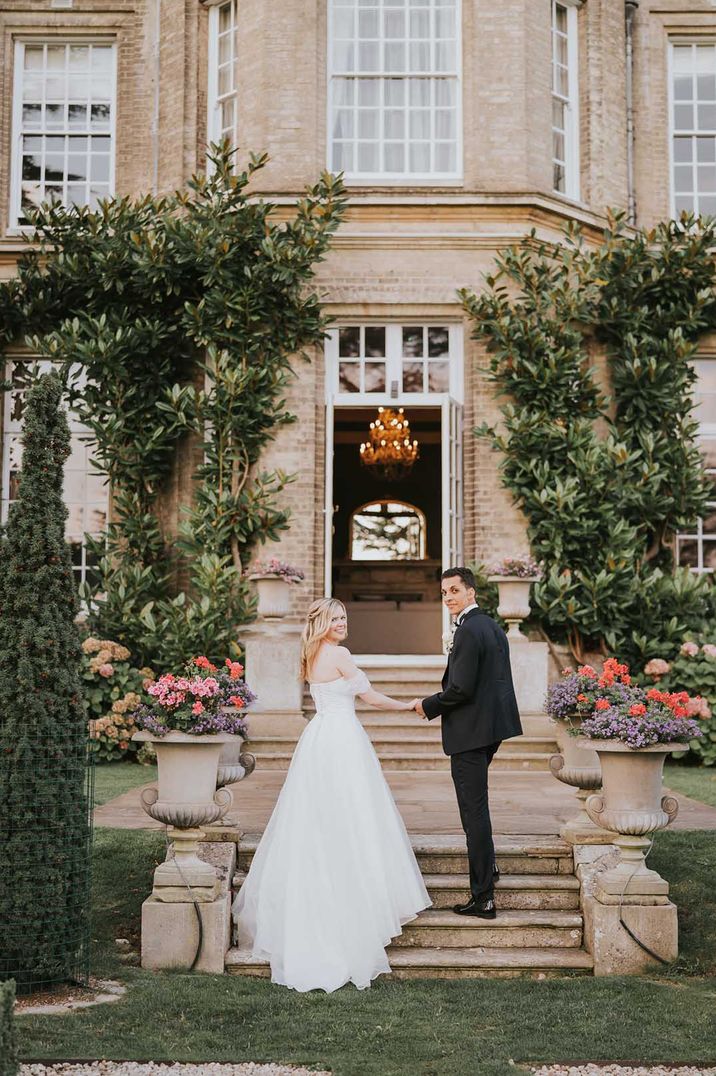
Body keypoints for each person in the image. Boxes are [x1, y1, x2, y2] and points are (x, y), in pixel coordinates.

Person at [232, 597, 430, 992]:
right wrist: (408, 706)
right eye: (335, 618)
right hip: (342, 739)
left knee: (316, 815)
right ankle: (354, 907)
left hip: (319, 738)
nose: (342, 623)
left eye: (344, 617)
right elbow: (369, 697)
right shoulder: (339, 654)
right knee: (353, 813)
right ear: (321, 622)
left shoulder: (309, 655)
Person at [412, 566, 522, 919]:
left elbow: (460, 688)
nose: (448, 597)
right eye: (444, 592)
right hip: (489, 730)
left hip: (471, 733)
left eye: (455, 590)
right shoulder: (489, 625)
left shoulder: (470, 630)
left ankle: (483, 897)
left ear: (471, 592)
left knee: (473, 813)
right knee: (477, 808)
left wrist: (427, 706)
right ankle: (488, 871)